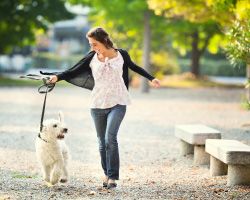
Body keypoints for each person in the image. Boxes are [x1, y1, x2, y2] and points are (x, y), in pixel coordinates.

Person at [47, 27, 161, 189]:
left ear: (104, 41)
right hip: (97, 104)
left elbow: (134, 67)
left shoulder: (122, 54)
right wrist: (56, 77)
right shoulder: (92, 57)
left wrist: (151, 78)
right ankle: (107, 173)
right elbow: (73, 70)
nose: (92, 47)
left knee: (110, 138)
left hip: (119, 102)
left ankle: (113, 177)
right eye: (90, 44)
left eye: (94, 44)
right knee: (101, 142)